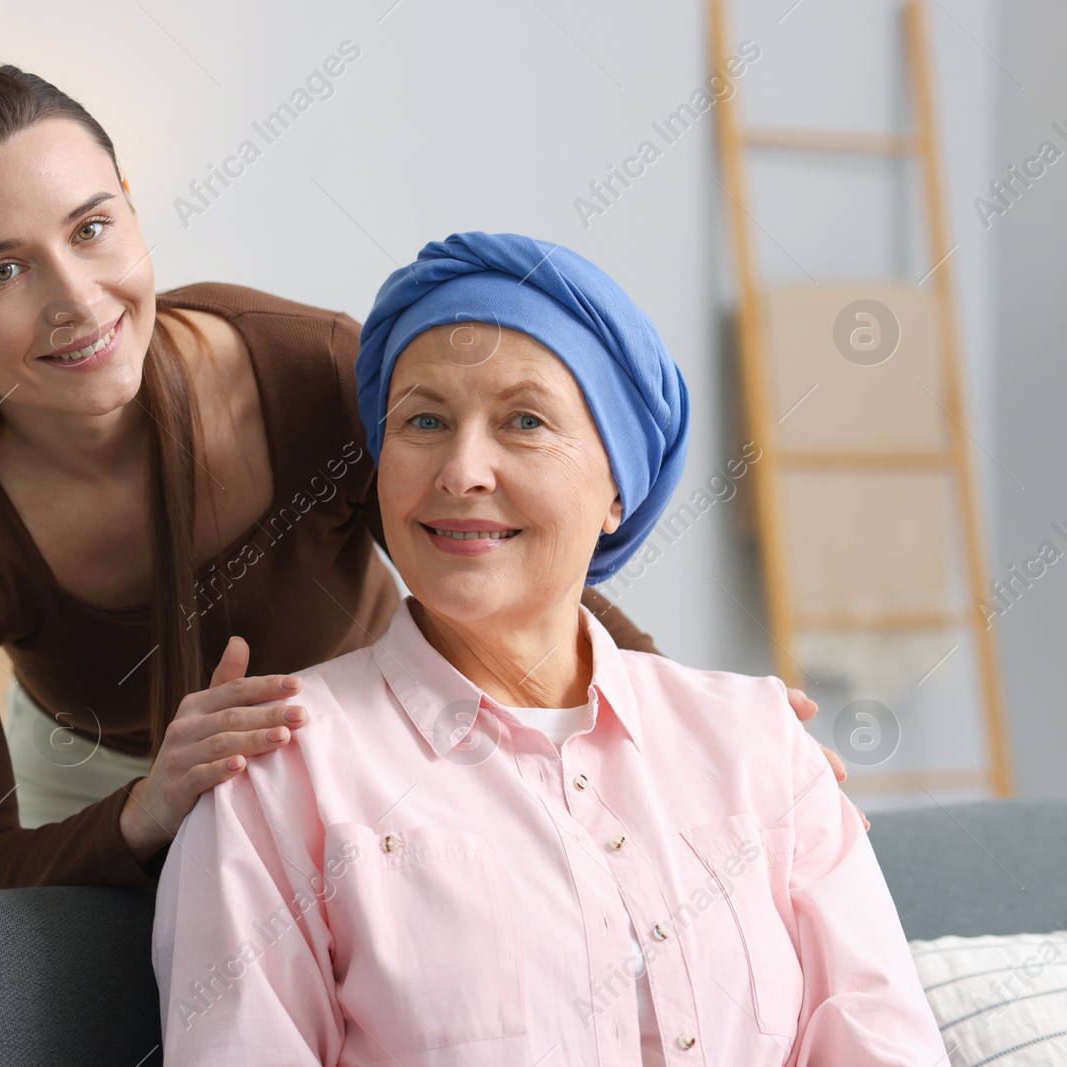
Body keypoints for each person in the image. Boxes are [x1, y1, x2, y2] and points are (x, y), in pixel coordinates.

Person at [0, 64, 840, 897]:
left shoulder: (305, 372)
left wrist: (694, 722)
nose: (75, 299)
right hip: (97, 790)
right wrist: (147, 807)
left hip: (356, 740)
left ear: (131, 209)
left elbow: (498, 550)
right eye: (0, 271)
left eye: (91, 228)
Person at [152, 233, 942, 1065]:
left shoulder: (763, 744)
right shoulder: (277, 769)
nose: (461, 470)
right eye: (423, 419)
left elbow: (880, 1041)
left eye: (523, 421)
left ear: (617, 490)